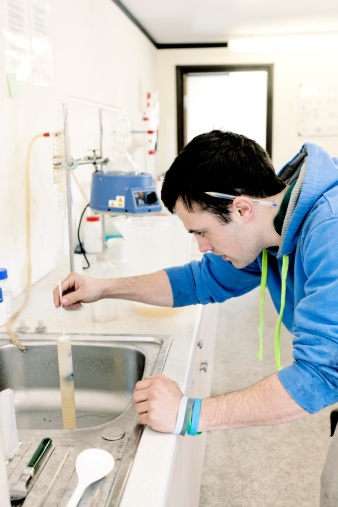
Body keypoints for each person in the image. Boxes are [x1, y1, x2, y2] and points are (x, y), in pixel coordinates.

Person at [53, 131, 338, 503]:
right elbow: (199, 280)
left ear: (241, 208)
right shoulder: (274, 223)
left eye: (202, 232)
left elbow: (320, 373)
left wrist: (188, 413)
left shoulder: (329, 230)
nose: (202, 247)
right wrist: (103, 287)